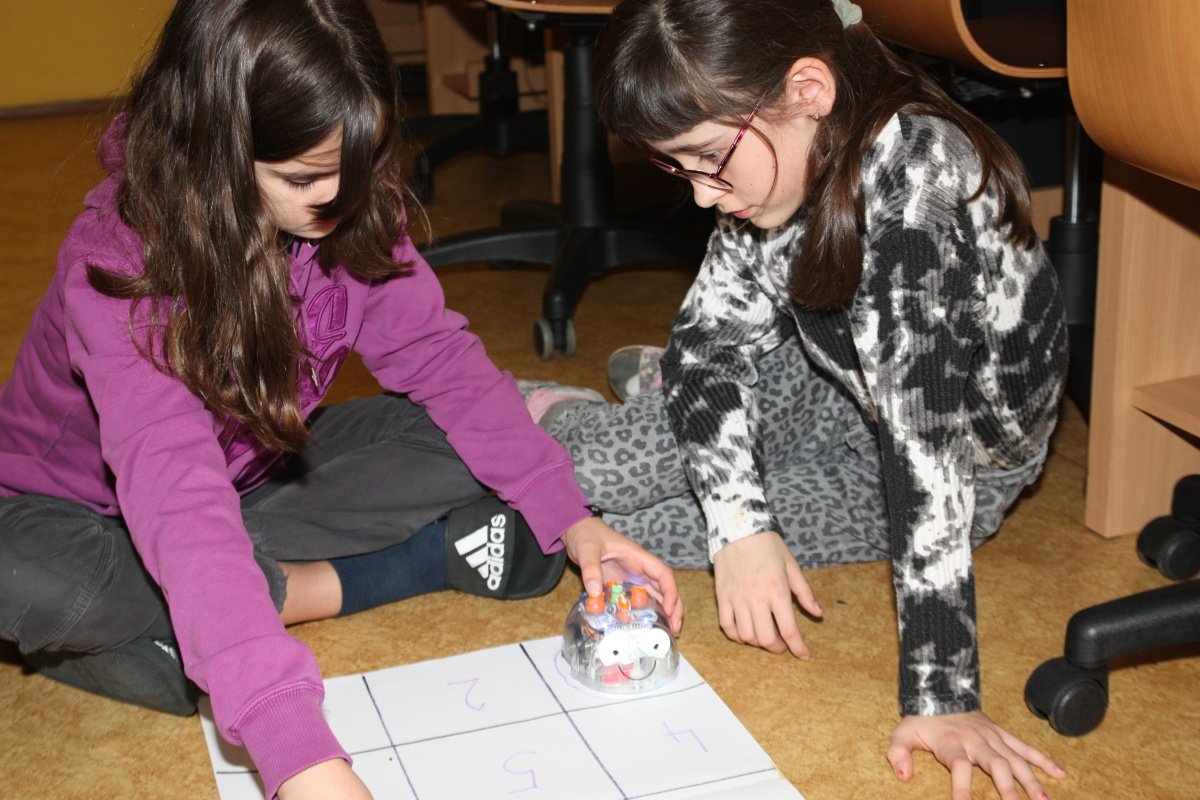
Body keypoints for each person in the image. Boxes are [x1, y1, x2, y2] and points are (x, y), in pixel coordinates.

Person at [0, 2, 681, 798]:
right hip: (70, 514)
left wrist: (574, 520)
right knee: (28, 575)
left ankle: (204, 620)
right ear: (212, 152)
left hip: (249, 483)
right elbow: (176, 494)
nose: (340, 200)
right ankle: (345, 584)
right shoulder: (118, 267)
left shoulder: (347, 202)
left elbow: (442, 361)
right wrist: (298, 756)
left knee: (448, 440)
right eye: (303, 179)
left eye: (360, 165)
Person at [526, 0, 1071, 797]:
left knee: (633, 542)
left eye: (708, 158)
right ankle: (554, 406)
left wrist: (944, 700)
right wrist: (742, 524)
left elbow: (927, 457)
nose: (704, 197)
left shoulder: (918, 192)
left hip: (949, 460)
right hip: (828, 379)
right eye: (679, 168)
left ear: (808, 90)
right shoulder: (774, 159)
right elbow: (706, 346)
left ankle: (644, 395)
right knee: (589, 472)